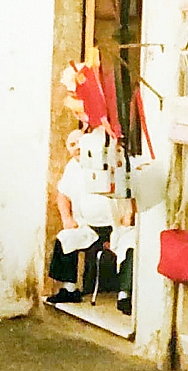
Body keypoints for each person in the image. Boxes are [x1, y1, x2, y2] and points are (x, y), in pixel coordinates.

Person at [46, 128, 133, 308]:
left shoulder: (110, 159)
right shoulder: (72, 167)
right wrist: (67, 219)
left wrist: (129, 214)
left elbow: (132, 190)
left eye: (80, 142)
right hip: (88, 226)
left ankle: (125, 295)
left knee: (130, 246)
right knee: (65, 238)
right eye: (72, 144)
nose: (77, 147)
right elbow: (62, 195)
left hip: (116, 225)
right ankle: (69, 289)